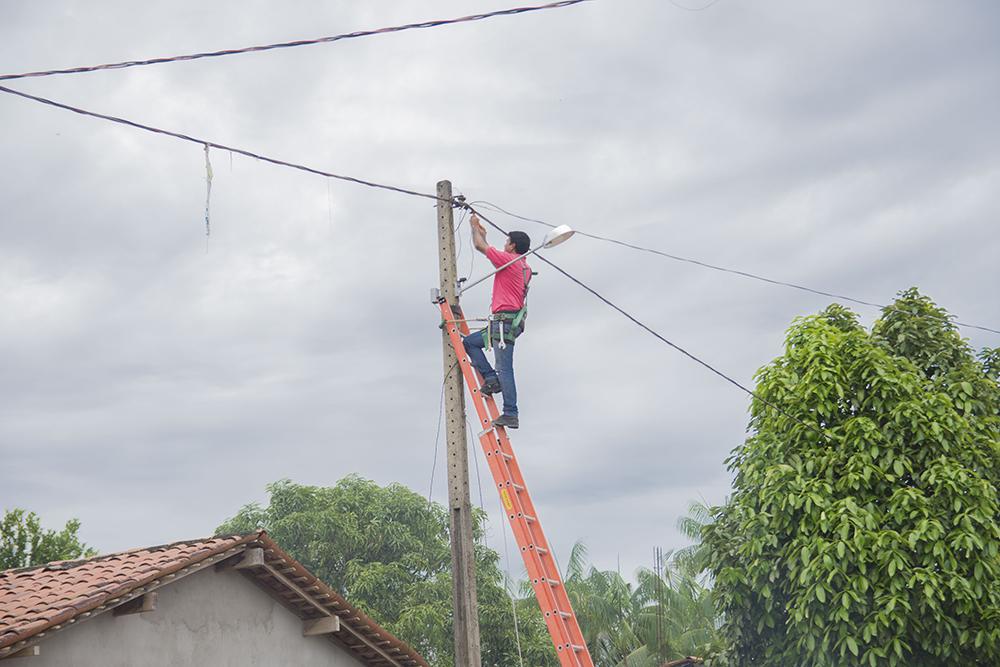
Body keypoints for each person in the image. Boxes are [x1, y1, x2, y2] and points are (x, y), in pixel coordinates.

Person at [463, 214, 531, 429]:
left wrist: (474, 228)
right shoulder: (524, 267)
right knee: (470, 342)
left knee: (505, 368)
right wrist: (482, 233)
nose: (504, 245)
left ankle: (511, 412)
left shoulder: (510, 261)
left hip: (503, 323)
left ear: (512, 246)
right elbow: (484, 244)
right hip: (504, 323)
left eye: (506, 241)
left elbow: (479, 246)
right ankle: (490, 379)